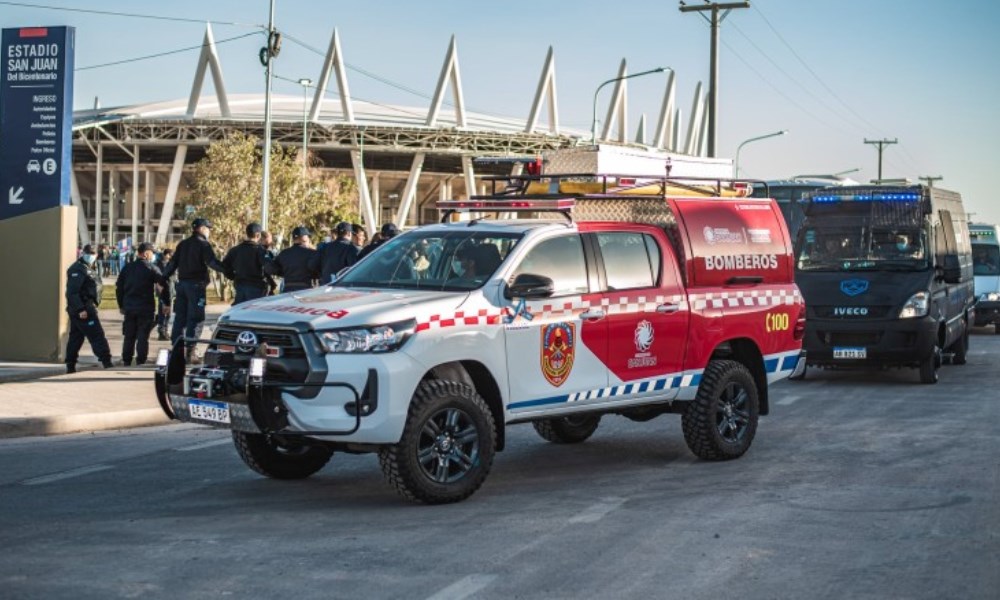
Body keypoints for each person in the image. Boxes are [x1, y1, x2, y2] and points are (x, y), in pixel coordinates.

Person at [163, 218, 225, 362]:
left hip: (182, 286)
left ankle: (177, 350)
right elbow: (212, 262)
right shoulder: (203, 244)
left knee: (180, 318)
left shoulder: (183, 244)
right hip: (196, 286)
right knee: (196, 319)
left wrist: (163, 277)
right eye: (208, 229)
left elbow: (172, 264)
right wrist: (228, 271)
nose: (209, 232)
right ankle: (190, 353)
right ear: (202, 229)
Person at [115, 242, 168, 366]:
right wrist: (166, 302)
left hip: (129, 307)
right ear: (145, 254)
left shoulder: (127, 268)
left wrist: (121, 305)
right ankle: (141, 361)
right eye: (152, 253)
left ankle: (127, 360)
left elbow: (119, 288)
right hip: (145, 307)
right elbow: (163, 284)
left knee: (129, 336)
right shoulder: (151, 268)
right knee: (143, 336)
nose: (153, 255)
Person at [64, 244, 114, 373]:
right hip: (83, 309)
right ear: (83, 253)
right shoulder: (78, 269)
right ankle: (106, 361)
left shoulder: (88, 268)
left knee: (76, 337)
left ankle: (70, 364)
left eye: (93, 253)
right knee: (96, 335)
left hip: (84, 307)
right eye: (89, 253)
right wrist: (81, 309)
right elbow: (72, 292)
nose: (91, 256)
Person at [222, 222, 273, 304]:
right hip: (256, 288)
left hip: (240, 286)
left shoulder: (235, 250)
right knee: (255, 314)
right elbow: (270, 268)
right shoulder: (261, 251)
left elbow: (224, 267)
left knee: (241, 313)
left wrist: (233, 277)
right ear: (258, 235)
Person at [265, 226, 319, 292]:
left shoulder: (284, 253)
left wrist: (284, 273)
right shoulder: (312, 253)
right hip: (306, 290)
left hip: (288, 289)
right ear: (304, 238)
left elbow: (272, 269)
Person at [154, 248, 174, 340]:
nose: (171, 257)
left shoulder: (163, 263)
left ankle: (163, 331)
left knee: (165, 313)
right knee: (165, 313)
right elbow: (167, 280)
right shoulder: (164, 264)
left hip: (166, 291)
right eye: (170, 255)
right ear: (166, 255)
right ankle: (162, 332)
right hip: (165, 291)